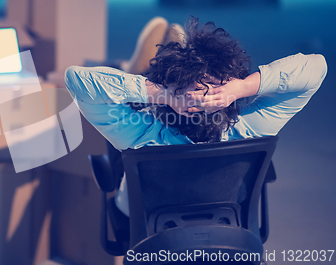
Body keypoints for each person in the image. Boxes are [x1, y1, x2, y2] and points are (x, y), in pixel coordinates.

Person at [64, 17, 327, 217]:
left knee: (123, 122)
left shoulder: (144, 134)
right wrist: (243, 87)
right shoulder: (249, 128)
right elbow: (316, 67)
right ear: (227, 98)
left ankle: (144, 74)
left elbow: (76, 79)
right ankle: (155, 67)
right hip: (228, 218)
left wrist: (165, 94)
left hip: (144, 215)